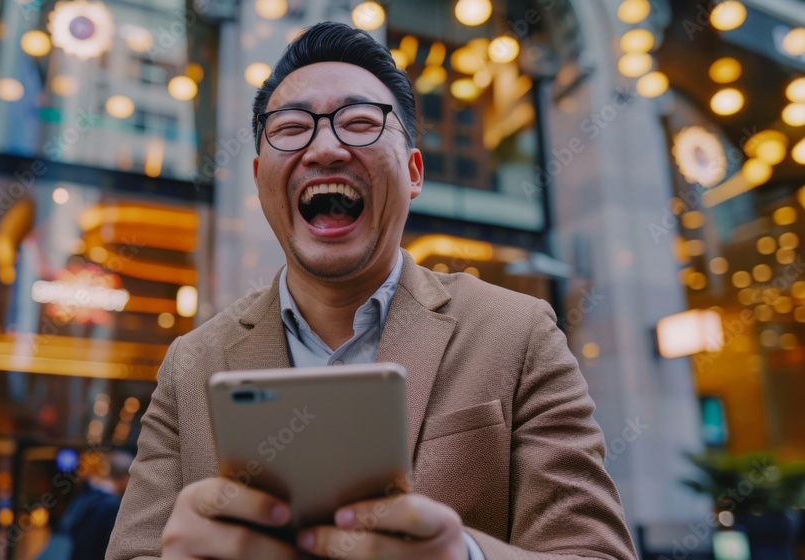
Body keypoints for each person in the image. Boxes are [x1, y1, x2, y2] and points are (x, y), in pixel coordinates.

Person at [107, 21, 637, 560]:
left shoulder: (519, 332)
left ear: (412, 173)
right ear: (259, 176)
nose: (326, 148)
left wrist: (465, 556)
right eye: (291, 129)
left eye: (360, 122)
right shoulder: (190, 363)